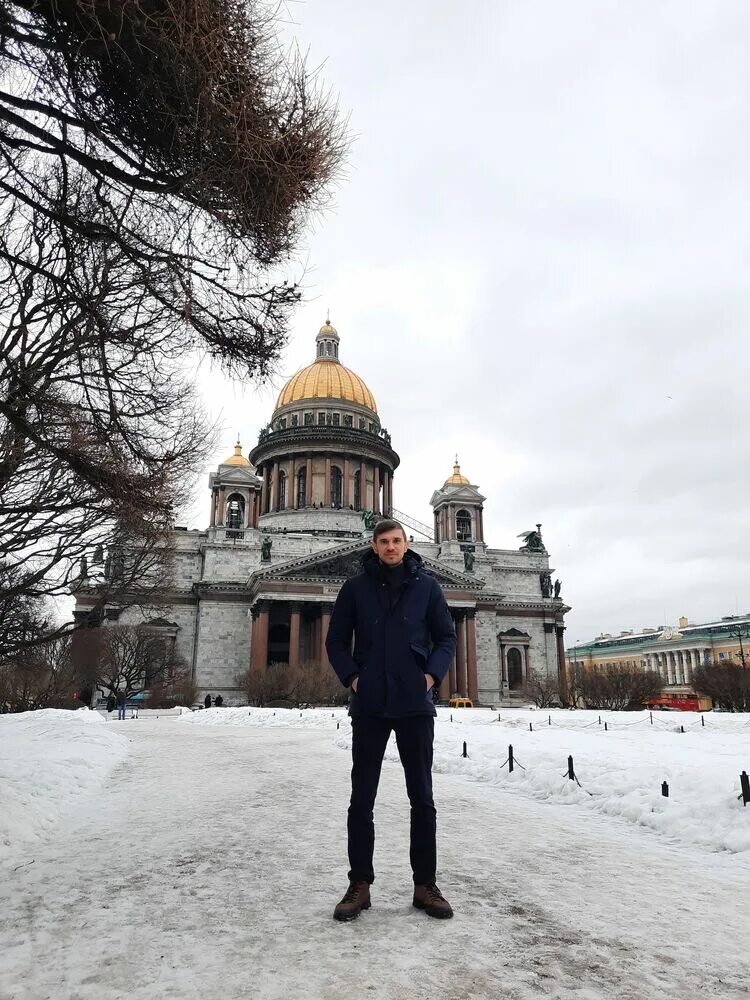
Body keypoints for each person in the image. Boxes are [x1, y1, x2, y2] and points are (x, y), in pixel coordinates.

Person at [326, 518, 457, 922]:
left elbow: (447, 637)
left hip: (414, 703)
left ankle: (425, 885)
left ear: (406, 543)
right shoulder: (354, 587)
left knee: (423, 799)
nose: (390, 547)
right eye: (383, 541)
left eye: (396, 541)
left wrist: (431, 675)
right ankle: (359, 884)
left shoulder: (428, 586)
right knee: (361, 799)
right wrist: (353, 678)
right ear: (374, 544)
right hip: (370, 704)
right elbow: (335, 640)